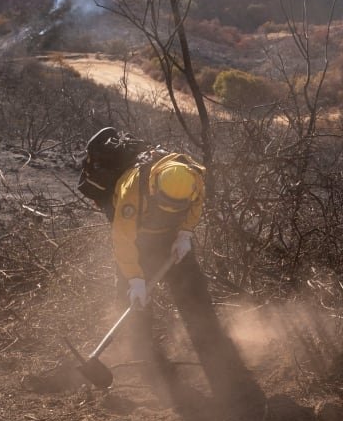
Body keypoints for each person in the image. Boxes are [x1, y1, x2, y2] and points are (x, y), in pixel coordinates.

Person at [105, 147, 252, 404]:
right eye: (167, 204)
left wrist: (185, 233)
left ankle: (212, 348)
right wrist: (135, 279)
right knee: (134, 302)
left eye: (176, 206)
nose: (171, 209)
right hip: (138, 243)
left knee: (194, 294)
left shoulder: (193, 179)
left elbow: (195, 207)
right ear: (155, 186)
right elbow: (122, 239)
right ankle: (145, 358)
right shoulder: (133, 190)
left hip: (171, 239)